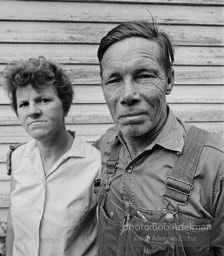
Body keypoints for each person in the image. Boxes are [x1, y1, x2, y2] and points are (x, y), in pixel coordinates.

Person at [94, 20, 224, 255]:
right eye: (114, 80)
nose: (128, 95)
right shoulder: (106, 144)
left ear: (169, 81)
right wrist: (29, 152)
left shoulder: (217, 167)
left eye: (144, 76)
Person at [0, 56, 101, 256]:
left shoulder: (95, 164)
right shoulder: (18, 158)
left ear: (65, 105)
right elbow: (13, 223)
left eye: (43, 100)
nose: (33, 111)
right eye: (23, 104)